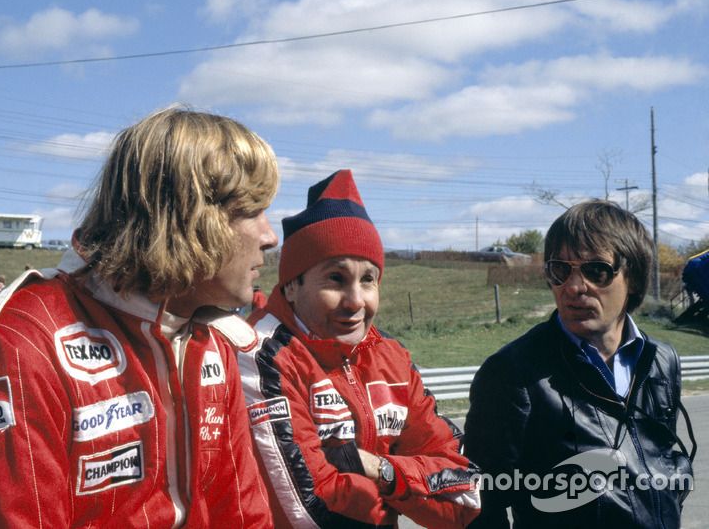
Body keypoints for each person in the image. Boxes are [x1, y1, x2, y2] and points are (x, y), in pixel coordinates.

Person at [0, 107, 279, 528]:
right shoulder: (15, 347)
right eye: (253, 212)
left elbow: (243, 515)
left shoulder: (209, 340)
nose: (270, 237)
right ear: (191, 218)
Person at [239, 169, 481, 528]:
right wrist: (410, 496)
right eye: (335, 279)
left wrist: (381, 469)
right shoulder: (262, 352)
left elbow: (464, 495)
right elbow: (311, 507)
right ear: (291, 286)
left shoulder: (392, 358)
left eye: (368, 279)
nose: (355, 301)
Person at [464, 200, 695, 528]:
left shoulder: (662, 361)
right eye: (560, 270)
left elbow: (661, 462)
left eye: (596, 270)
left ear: (634, 277)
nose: (573, 287)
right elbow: (480, 505)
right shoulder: (512, 374)